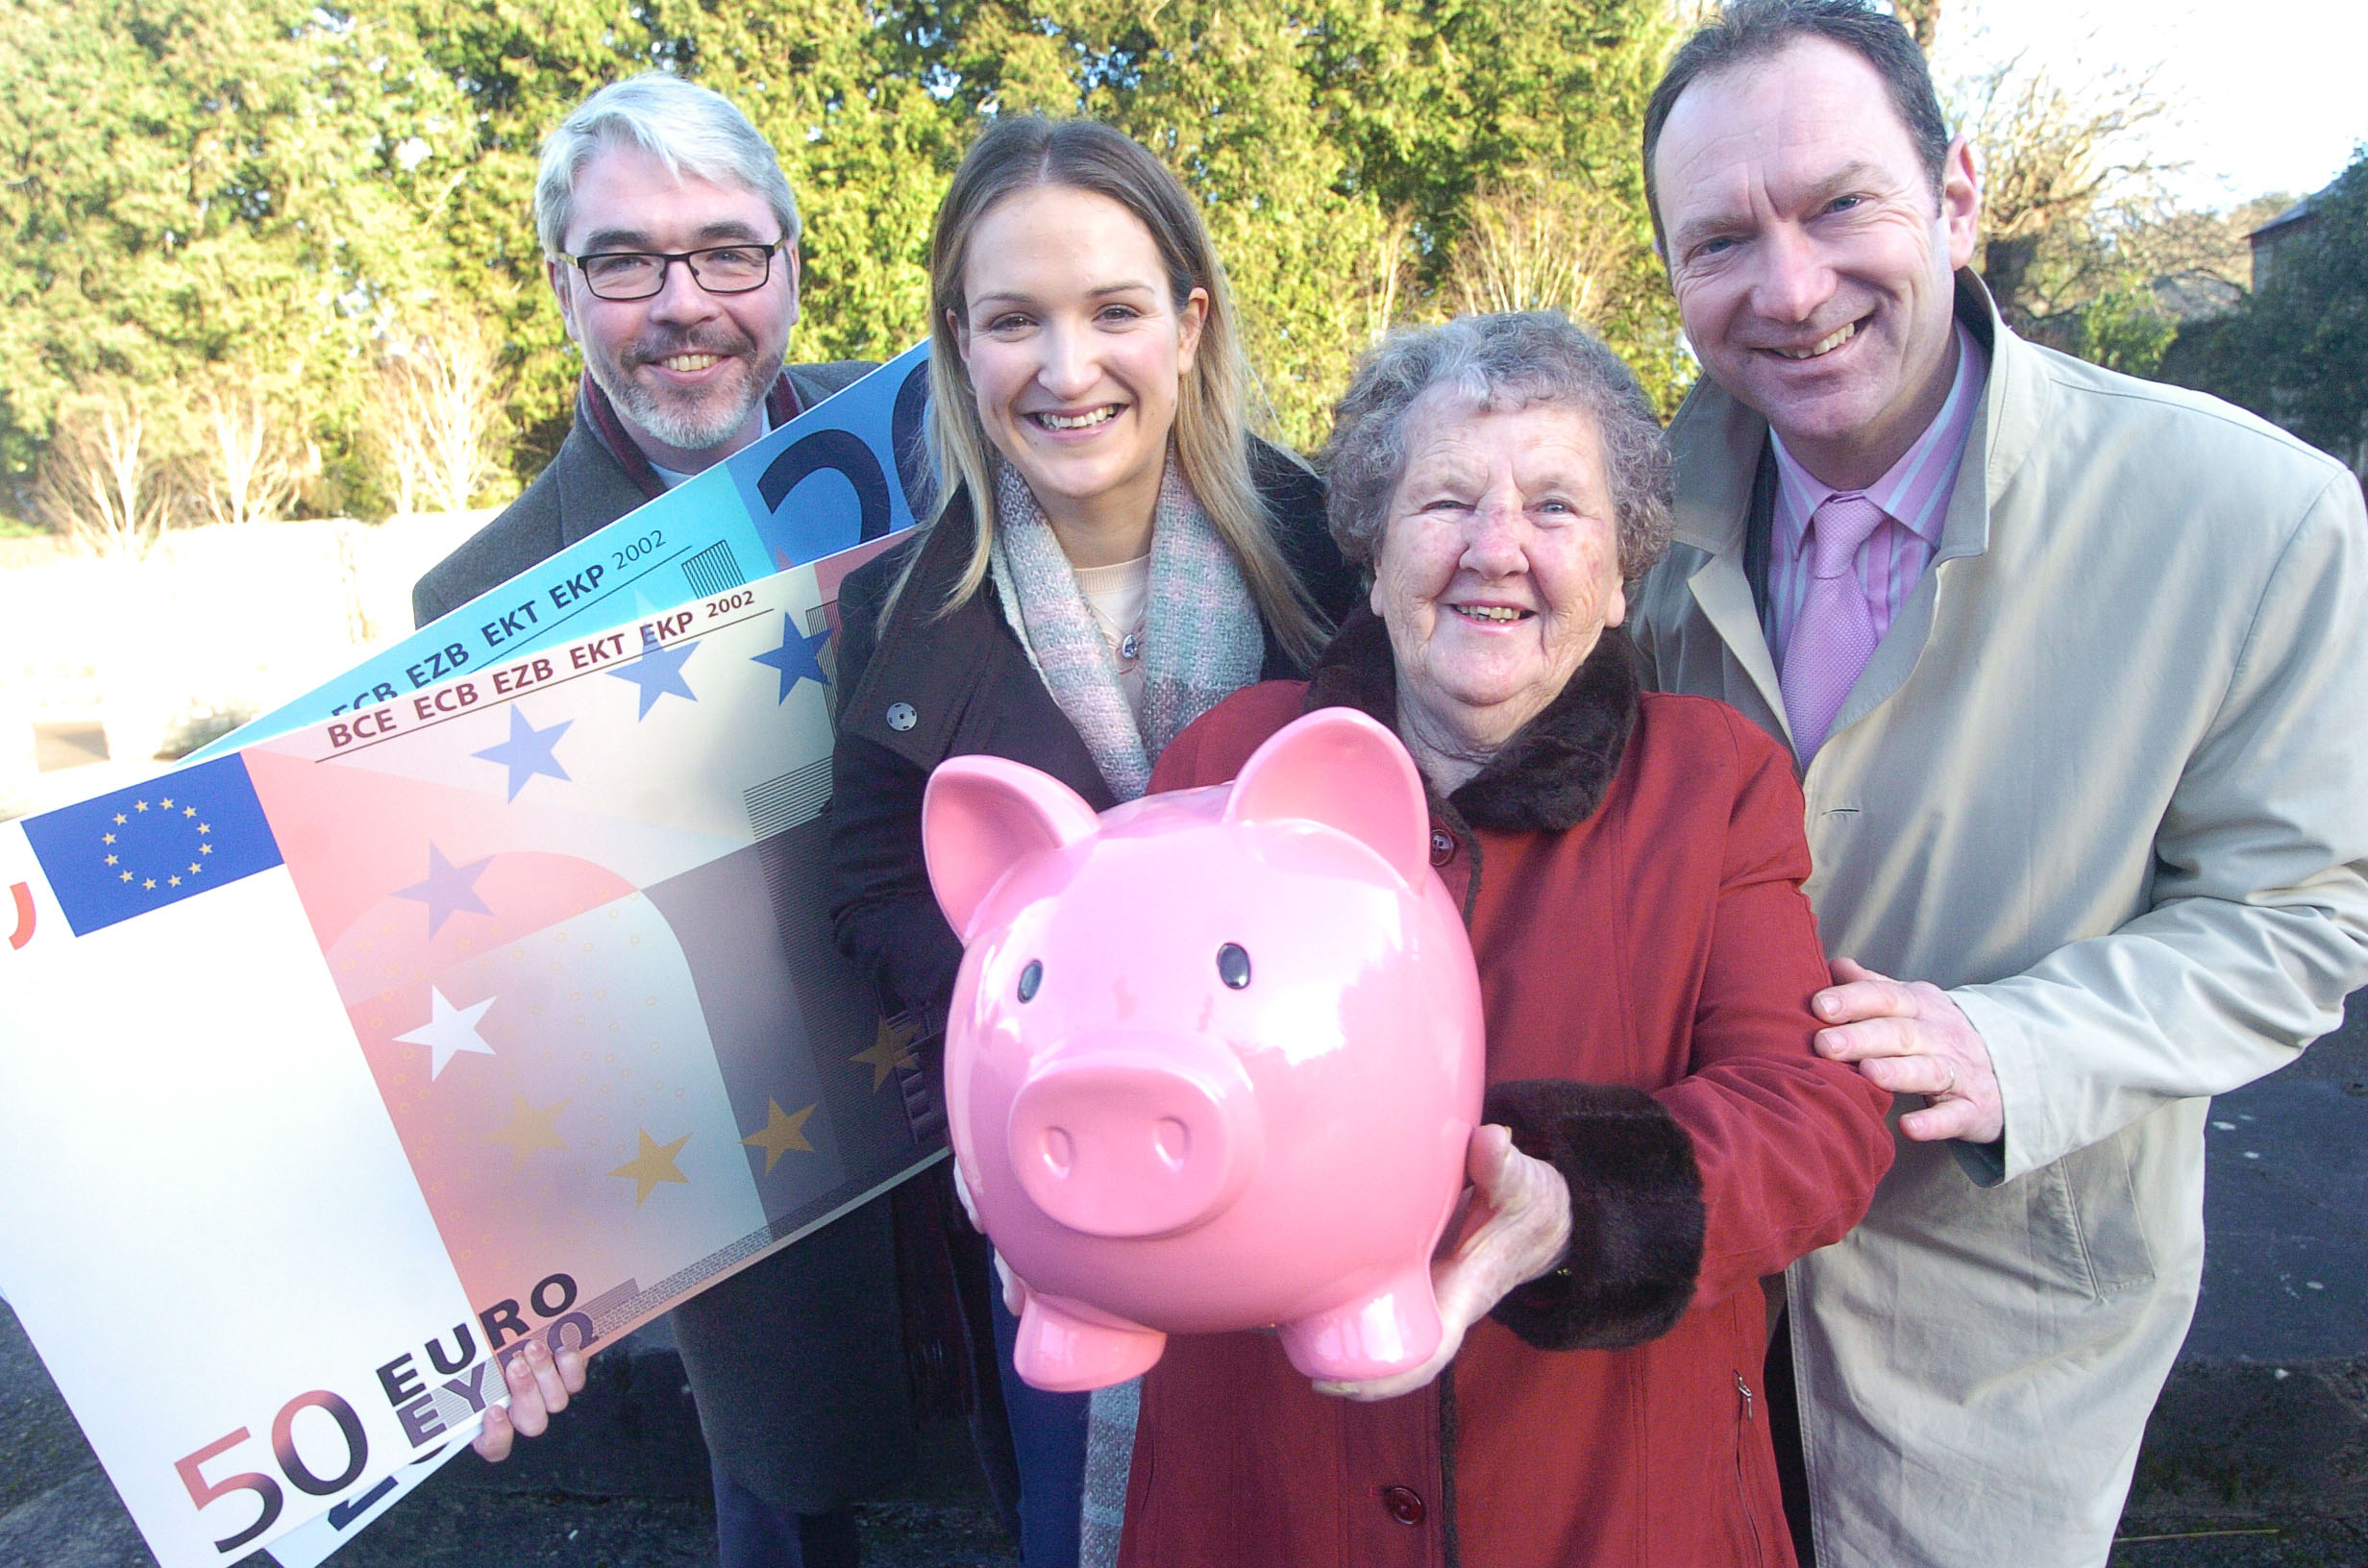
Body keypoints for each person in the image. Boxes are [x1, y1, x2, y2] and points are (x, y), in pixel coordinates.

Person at [1625, 5, 2368, 1566]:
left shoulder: (2255, 519)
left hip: (1994, 1328)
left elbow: (2301, 917)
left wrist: (2013, 1043)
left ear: (1956, 196)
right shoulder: (1609, 526)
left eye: (1841, 206)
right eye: (1720, 242)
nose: (1791, 287)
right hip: (1672, 1294)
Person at [1113, 310, 1896, 1567]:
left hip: (1615, 1503)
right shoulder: (1226, 765)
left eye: (1554, 507)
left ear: (1624, 569)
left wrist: (1581, 1205)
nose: (1495, 550)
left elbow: (1818, 1121)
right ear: (1371, 554)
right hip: (1269, 1494)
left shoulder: (1714, 785)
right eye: (1445, 503)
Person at [825, 115, 1362, 1567]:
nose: (1067, 370)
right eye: (1015, 322)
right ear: (958, 343)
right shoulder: (895, 614)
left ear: (1188, 325)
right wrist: (1021, 1047)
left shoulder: (1331, 556)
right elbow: (873, 875)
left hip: (1317, 1184)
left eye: (1114, 310)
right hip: (1070, 1226)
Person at [409, 73, 910, 1568]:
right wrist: (517, 1257)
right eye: (626, 260)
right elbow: (484, 975)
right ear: (564, 285)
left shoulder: (935, 442)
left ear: (793, 267)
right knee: (784, 1508)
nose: (683, 303)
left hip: (994, 1124)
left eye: (726, 252)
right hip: (751, 1189)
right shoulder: (469, 611)